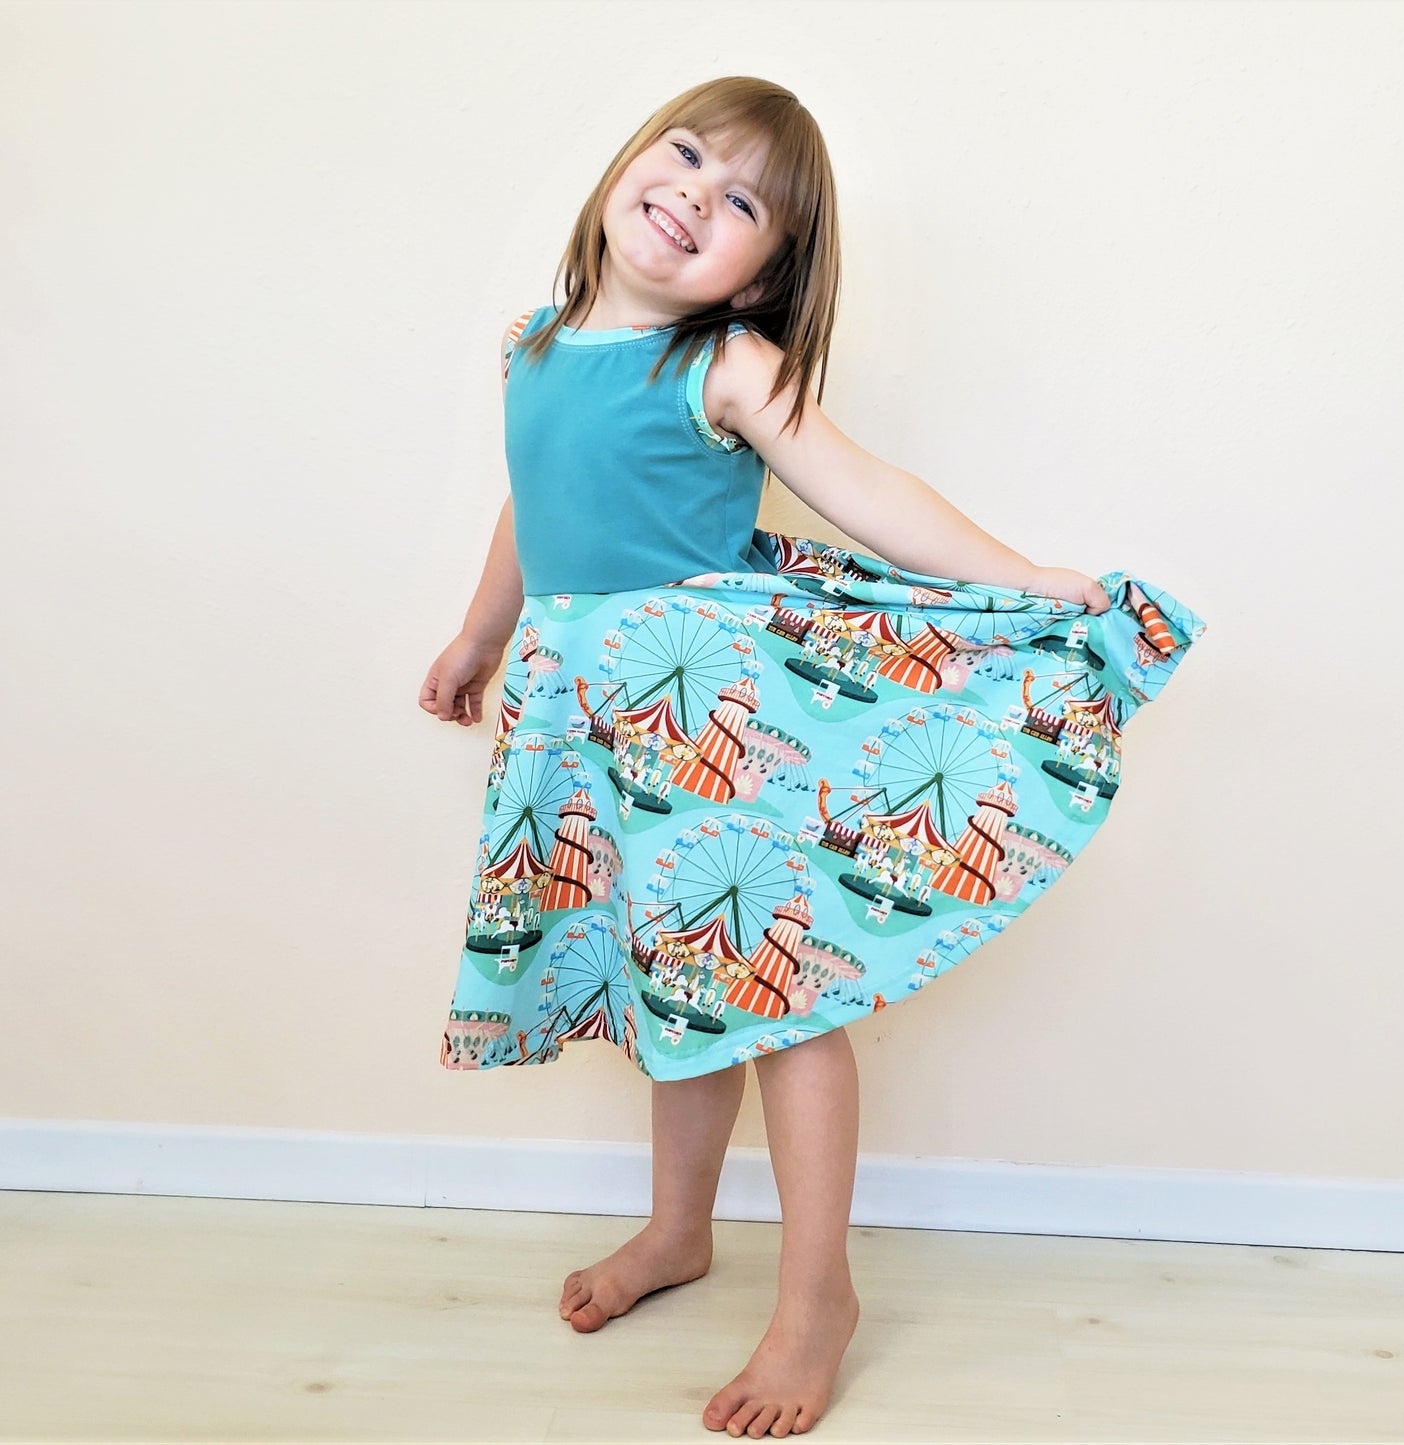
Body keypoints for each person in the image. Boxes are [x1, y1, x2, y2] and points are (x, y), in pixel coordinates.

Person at [420, 77, 1202, 1440]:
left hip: (701, 711)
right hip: (580, 711)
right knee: (673, 977)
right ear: (626, 162)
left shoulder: (725, 365)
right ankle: (677, 1231)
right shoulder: (532, 343)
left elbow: (871, 493)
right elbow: (528, 500)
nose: (692, 196)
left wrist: (1024, 576)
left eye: (740, 203)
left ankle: (814, 1297)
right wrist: (481, 634)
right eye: (684, 155)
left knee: (773, 986)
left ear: (763, 272)